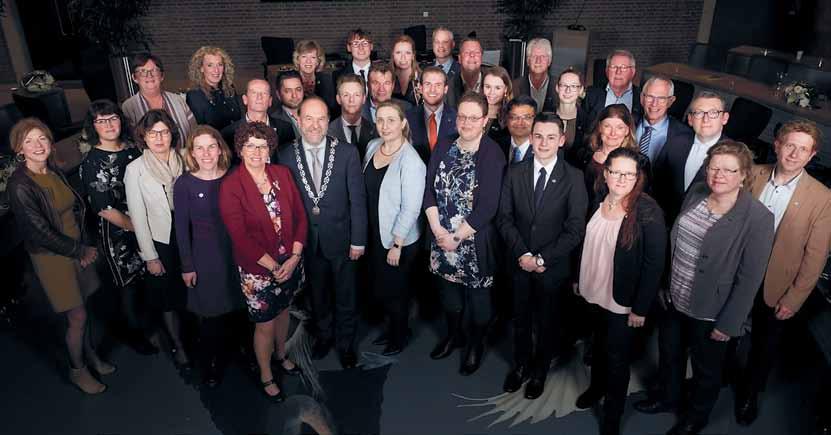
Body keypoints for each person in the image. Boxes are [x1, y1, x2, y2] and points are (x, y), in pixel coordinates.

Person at [638, 141, 774, 435]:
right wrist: (665, 284)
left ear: (744, 175)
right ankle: (667, 397)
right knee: (670, 354)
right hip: (675, 297)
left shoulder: (758, 218)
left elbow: (750, 279)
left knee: (706, 371)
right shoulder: (698, 192)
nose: (719, 175)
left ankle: (695, 418)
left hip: (712, 310)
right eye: (713, 167)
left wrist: (729, 323)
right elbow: (674, 241)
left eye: (729, 170)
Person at [734, 120, 831, 426]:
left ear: (812, 155)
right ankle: (723, 373)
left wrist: (795, 298)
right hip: (737, 272)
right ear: (776, 144)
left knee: (764, 346)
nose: (794, 154)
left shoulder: (822, 197)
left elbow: (815, 258)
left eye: (803, 149)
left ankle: (750, 394)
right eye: (789, 145)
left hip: (777, 284)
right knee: (726, 328)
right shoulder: (753, 175)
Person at [8, 118, 111, 394]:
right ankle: (78, 370)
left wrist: (83, 245)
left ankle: (90, 358)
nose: (37, 145)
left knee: (85, 307)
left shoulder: (52, 170)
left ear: (50, 142)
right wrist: (81, 251)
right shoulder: (20, 185)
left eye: (41, 138)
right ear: (19, 149)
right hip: (53, 257)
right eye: (28, 141)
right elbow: (41, 232)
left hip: (77, 246)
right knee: (76, 316)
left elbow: (72, 209)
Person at [574, 147, 666, 435]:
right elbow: (585, 242)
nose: (622, 178)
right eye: (616, 172)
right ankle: (596, 388)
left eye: (629, 173)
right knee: (598, 346)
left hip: (622, 302)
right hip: (594, 290)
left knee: (617, 360)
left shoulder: (647, 211)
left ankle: (612, 415)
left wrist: (640, 307)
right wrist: (578, 278)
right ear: (606, 173)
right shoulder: (599, 200)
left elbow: (654, 265)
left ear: (638, 177)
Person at [498, 113, 587, 399]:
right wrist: (523, 254)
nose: (543, 142)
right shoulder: (514, 172)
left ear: (561, 140)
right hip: (518, 262)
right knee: (520, 319)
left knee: (548, 322)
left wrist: (540, 259)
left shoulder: (573, 177)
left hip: (552, 267)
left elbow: (575, 230)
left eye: (551, 137)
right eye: (538, 136)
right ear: (531, 137)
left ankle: (539, 372)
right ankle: (521, 365)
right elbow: (504, 218)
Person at [219, 122, 307, 402]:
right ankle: (266, 374)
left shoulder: (282, 174)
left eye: (261, 145)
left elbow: (301, 217)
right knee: (265, 324)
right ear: (240, 150)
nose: (256, 152)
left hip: (289, 261)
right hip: (258, 271)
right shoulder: (231, 185)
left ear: (269, 148)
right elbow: (240, 237)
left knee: (284, 312)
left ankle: (281, 355)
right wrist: (275, 267)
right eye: (249, 146)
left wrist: (294, 257)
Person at [278, 97, 367, 369]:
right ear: (298, 120)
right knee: (318, 296)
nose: (314, 125)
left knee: (346, 296)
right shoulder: (284, 154)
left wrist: (358, 240)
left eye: (320, 119)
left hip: (342, 239)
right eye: (308, 118)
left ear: (328, 121)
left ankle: (346, 344)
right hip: (307, 242)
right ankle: (325, 337)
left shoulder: (347, 152)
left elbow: (358, 200)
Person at [424, 91, 506, 375]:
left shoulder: (492, 154)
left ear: (485, 120)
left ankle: (475, 344)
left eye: (474, 117)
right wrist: (437, 231)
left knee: (479, 304)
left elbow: (487, 207)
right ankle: (453, 335)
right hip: (440, 238)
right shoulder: (444, 145)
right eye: (462, 116)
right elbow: (429, 191)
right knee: (449, 298)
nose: (467, 122)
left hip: (473, 242)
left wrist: (455, 237)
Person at [79, 100, 155, 355]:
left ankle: (151, 323)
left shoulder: (133, 149)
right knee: (129, 285)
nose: (109, 125)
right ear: (93, 126)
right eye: (101, 121)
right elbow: (104, 209)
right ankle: (136, 335)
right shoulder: (92, 161)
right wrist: (140, 230)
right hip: (119, 233)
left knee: (149, 277)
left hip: (147, 223)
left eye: (113, 118)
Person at [174, 126, 246, 388]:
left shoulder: (236, 175)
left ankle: (244, 354)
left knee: (239, 308)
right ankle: (212, 363)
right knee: (211, 315)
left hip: (237, 252)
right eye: (199, 147)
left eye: (211, 146)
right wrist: (187, 265)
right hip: (205, 257)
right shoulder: (184, 183)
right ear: (192, 152)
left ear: (220, 149)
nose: (206, 153)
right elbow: (181, 228)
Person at [124, 109, 190, 368]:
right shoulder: (136, 169)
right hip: (161, 240)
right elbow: (138, 217)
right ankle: (179, 345)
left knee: (192, 290)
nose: (159, 138)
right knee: (168, 297)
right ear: (144, 137)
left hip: (190, 233)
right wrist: (150, 256)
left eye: (163, 132)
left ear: (172, 133)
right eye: (152, 133)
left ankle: (195, 336)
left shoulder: (186, 159)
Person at [363, 101, 426, 355]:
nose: (385, 126)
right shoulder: (371, 147)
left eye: (391, 120)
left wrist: (397, 243)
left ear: (402, 123)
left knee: (396, 291)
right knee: (381, 287)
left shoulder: (411, 160)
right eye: (380, 120)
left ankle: (399, 337)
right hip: (375, 232)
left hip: (398, 240)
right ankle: (392, 329)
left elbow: (411, 207)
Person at [657, 91, 729, 224]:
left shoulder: (734, 156)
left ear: (724, 118)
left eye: (713, 113)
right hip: (663, 222)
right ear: (690, 119)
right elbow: (657, 183)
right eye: (699, 113)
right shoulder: (674, 142)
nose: (705, 119)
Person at [636, 76, 694, 224]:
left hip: (658, 213)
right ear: (642, 98)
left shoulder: (684, 136)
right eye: (650, 97)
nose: (654, 104)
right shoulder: (627, 123)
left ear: (670, 101)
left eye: (661, 98)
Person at [581, 104, 648, 206]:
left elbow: (640, 201)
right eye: (607, 126)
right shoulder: (584, 154)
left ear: (627, 130)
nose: (613, 133)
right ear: (599, 127)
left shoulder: (641, 162)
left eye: (620, 128)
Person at [122, 53, 197, 141]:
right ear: (134, 78)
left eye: (154, 70)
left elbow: (194, 132)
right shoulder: (129, 107)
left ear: (162, 76)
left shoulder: (178, 101)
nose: (149, 75)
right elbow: (131, 140)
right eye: (142, 71)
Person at [221, 79, 296, 159]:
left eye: (264, 93)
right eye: (254, 93)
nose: (259, 97)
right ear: (245, 99)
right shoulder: (229, 133)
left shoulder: (285, 129)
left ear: (270, 101)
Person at [406, 66, 458, 164]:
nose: (432, 90)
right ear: (420, 88)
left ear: (445, 89)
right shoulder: (407, 118)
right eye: (428, 84)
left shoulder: (457, 118)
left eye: (438, 85)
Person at [185, 46, 242, 131]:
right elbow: (202, 130)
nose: (216, 70)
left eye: (220, 65)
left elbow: (238, 119)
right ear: (201, 68)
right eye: (210, 65)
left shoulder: (229, 88)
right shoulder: (194, 95)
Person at [583, 50, 642, 125]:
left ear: (632, 72)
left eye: (623, 67)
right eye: (613, 67)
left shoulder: (642, 97)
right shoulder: (591, 93)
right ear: (607, 70)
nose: (618, 72)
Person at [328, 74, 378, 159]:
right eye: (346, 95)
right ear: (338, 99)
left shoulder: (376, 131)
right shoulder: (327, 132)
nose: (351, 100)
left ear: (363, 99)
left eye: (357, 95)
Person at [554, 69, 589, 166]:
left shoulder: (588, 121)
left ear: (581, 90)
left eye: (573, 86)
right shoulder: (545, 116)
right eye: (564, 85)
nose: (568, 90)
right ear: (557, 88)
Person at [293, 40, 337, 114]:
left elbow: (331, 107)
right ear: (297, 59)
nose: (308, 61)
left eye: (313, 57)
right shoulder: (291, 79)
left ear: (318, 61)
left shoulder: (326, 79)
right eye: (304, 57)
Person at [512, 38, 556, 112]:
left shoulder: (559, 86)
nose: (538, 61)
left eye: (542, 57)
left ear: (549, 61)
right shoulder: (515, 86)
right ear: (528, 61)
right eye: (534, 56)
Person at [332, 29, 373, 95]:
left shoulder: (385, 72)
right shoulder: (338, 76)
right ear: (349, 48)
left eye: (365, 43)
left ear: (371, 46)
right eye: (355, 43)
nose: (361, 47)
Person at [500, 96, 537, 165]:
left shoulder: (543, 148)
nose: (520, 122)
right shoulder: (497, 146)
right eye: (514, 117)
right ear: (507, 119)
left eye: (526, 117)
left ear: (535, 120)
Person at [448, 37, 484, 103]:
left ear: (482, 58)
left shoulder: (492, 83)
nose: (472, 55)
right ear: (459, 59)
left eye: (477, 52)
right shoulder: (448, 87)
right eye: (467, 52)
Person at [482, 66, 512, 145]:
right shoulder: (473, 112)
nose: (492, 92)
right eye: (488, 87)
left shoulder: (511, 117)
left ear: (506, 89)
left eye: (497, 88)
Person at [271, 70, 305, 138]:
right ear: (278, 94)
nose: (294, 95)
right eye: (288, 91)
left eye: (298, 89)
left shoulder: (316, 112)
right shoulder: (273, 121)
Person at [390, 35, 422, 106]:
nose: (403, 57)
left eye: (407, 53)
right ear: (393, 55)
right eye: (398, 53)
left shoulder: (422, 78)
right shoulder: (387, 78)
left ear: (413, 55)